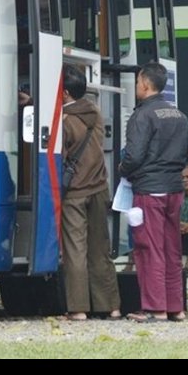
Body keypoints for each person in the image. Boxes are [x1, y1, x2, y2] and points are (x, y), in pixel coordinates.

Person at [119, 62, 188, 323]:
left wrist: (122, 169)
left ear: (146, 84)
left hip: (149, 189)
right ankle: (176, 308)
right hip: (174, 189)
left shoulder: (142, 115)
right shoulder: (179, 115)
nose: (137, 86)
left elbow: (134, 156)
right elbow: (185, 155)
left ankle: (155, 308)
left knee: (149, 249)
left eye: (138, 82)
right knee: (172, 248)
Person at [59, 64, 121, 321]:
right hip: (99, 189)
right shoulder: (94, 111)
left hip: (75, 193)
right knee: (100, 248)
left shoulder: (65, 121)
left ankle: (79, 309)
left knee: (76, 249)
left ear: (63, 93)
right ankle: (112, 306)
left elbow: (60, 157)